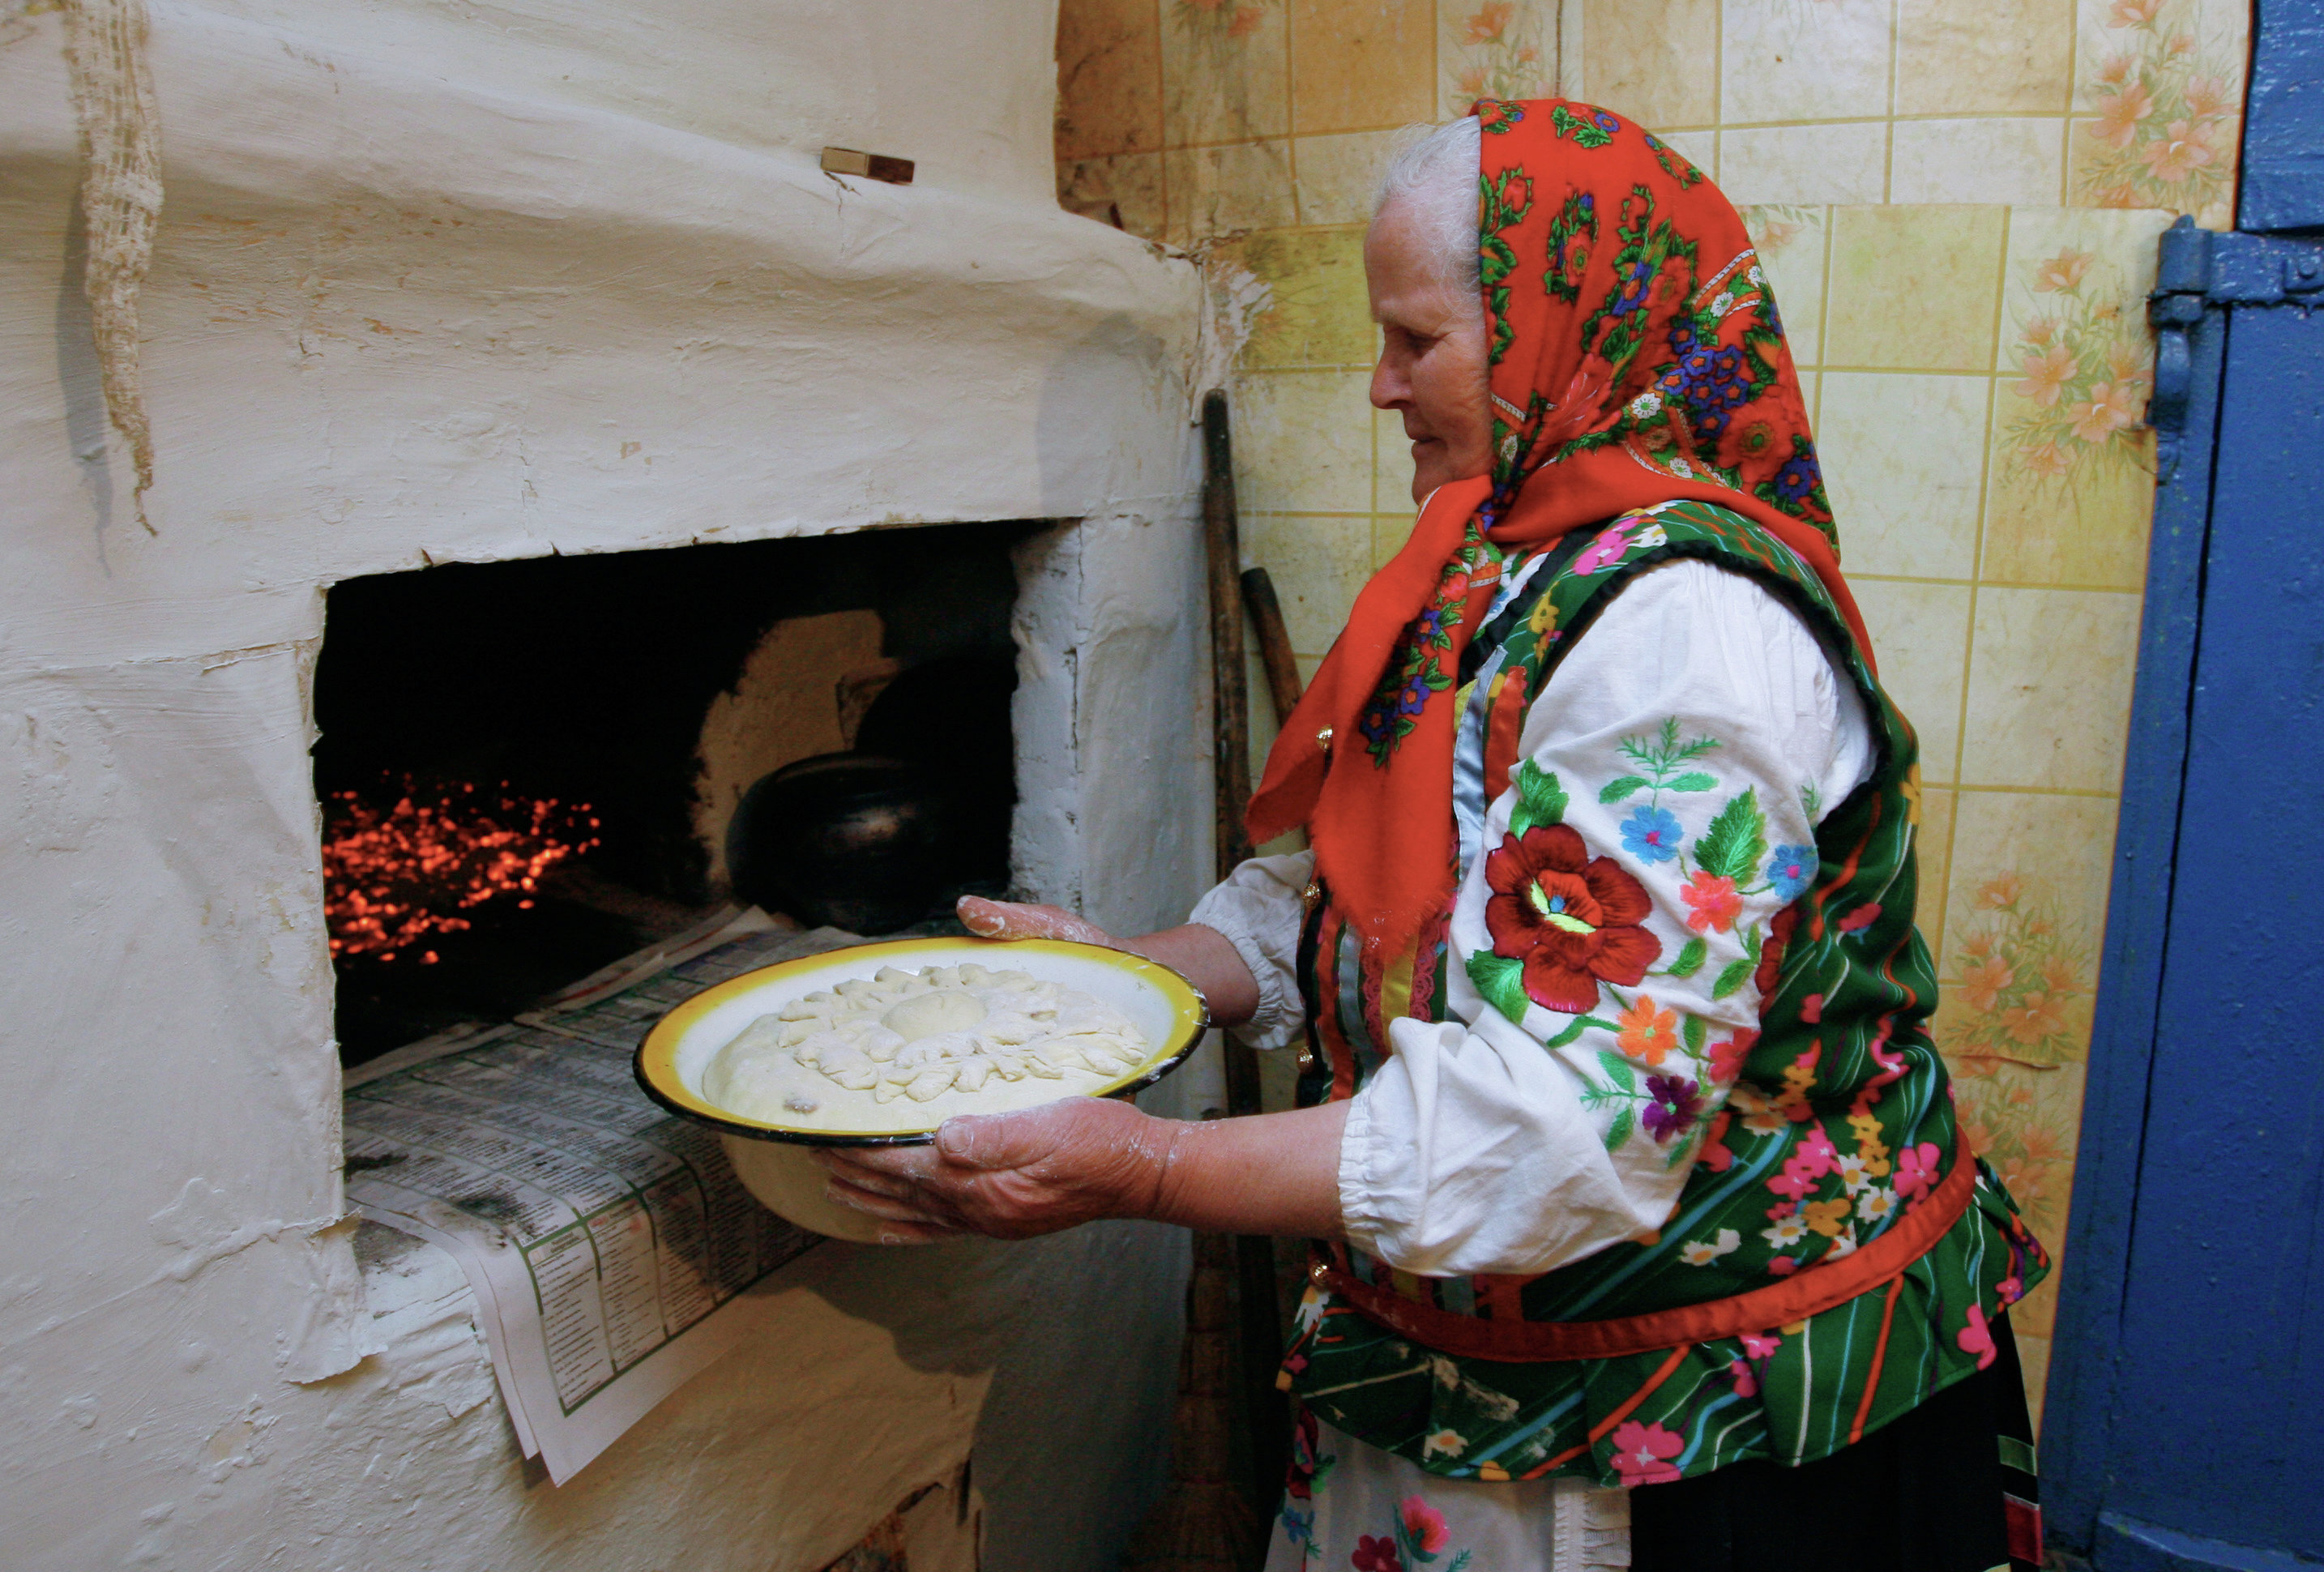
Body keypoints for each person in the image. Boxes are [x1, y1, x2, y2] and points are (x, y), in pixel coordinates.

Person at [819, 100, 2048, 1572]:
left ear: (1568, 327)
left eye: (1417, 342)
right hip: (1481, 1353)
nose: (1381, 390)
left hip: (1703, 1421)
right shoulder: (1495, 562)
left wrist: (1140, 1168)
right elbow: (1384, 888)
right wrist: (1131, 982)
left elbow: (1569, 1123)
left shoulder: (1687, 639)